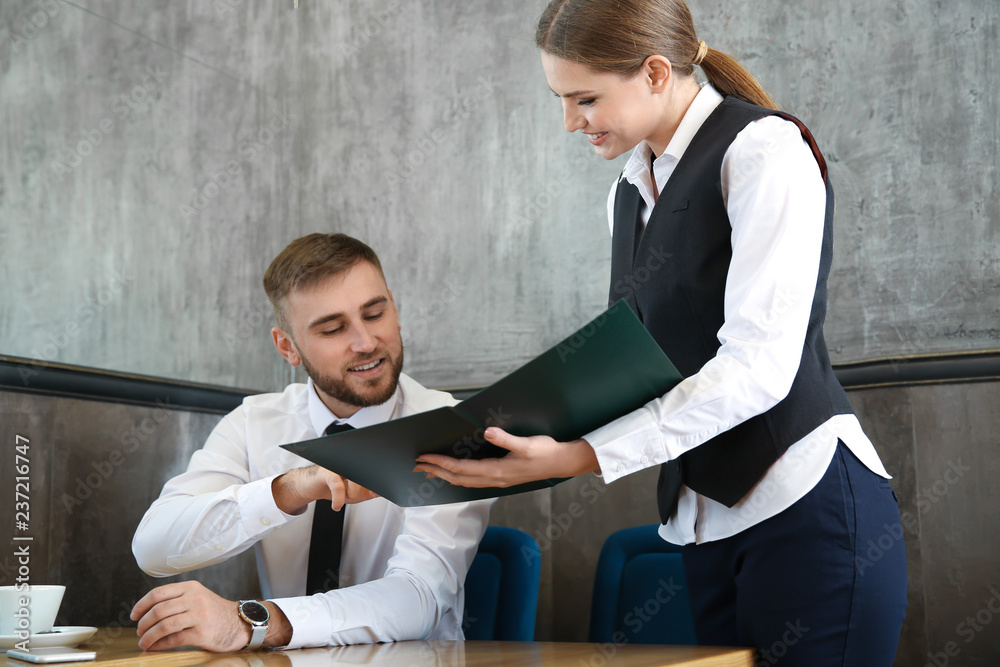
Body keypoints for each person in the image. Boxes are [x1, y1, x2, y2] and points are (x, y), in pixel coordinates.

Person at [414, 1, 907, 664]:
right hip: (701, 528)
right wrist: (487, 443)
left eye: (584, 98)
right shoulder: (628, 189)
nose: (569, 122)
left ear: (652, 72)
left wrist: (582, 456)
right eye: (560, 99)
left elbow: (759, 366)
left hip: (808, 514)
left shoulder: (763, 150)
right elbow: (639, 362)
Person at [131, 233, 492, 651]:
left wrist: (254, 623)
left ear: (393, 305)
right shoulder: (253, 423)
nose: (365, 342)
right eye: (333, 328)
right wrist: (290, 489)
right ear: (288, 347)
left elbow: (419, 597)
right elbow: (154, 548)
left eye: (375, 313)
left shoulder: (451, 428)